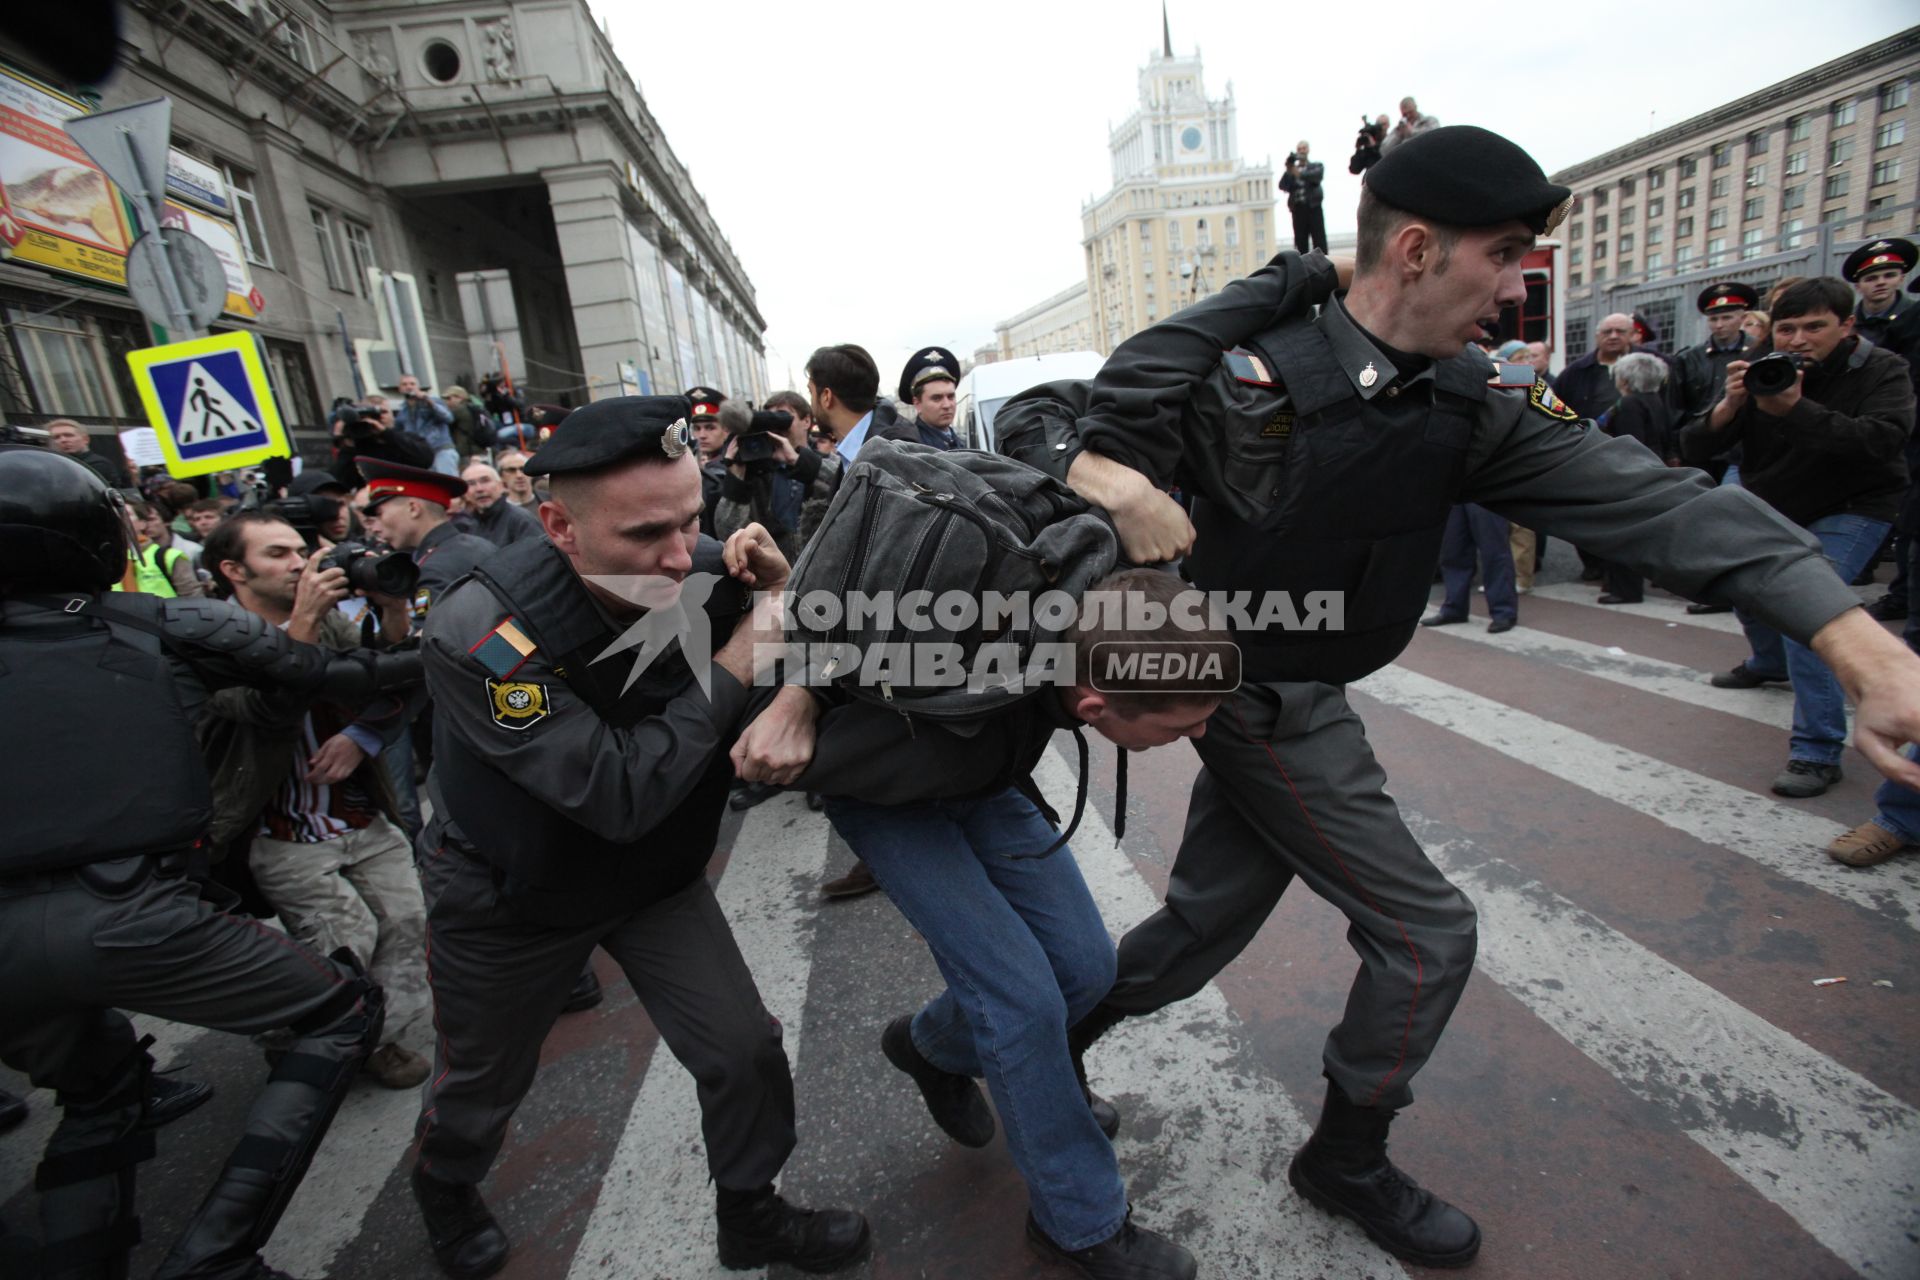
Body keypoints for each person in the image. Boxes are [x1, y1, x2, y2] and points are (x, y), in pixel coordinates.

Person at [995, 125, 1920, 1269]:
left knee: (1201, 924)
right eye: (1507, 253)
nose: (1518, 284)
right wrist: (1103, 471)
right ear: (1422, 249)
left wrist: (1852, 636)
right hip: (1252, 692)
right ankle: (1344, 1154)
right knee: (1427, 932)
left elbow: (1656, 499)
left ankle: (969, 1040)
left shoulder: (1474, 398)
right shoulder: (1250, 367)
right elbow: (1036, 418)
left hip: (1312, 684)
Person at [407, 396, 870, 1278]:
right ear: (557, 526)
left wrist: (780, 588)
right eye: (646, 533)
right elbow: (614, 788)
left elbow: (824, 641)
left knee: (743, 1052)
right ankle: (445, 1184)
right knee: (481, 1084)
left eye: (694, 518)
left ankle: (752, 1213)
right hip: (515, 896)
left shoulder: (699, 562)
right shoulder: (485, 633)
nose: (679, 552)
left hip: (650, 875)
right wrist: (740, 658)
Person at [0, 444, 417, 1280]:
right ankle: (215, 1251)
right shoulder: (164, 626)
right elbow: (318, 674)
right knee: (339, 1009)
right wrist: (490, 652)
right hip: (136, 910)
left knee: (99, 1095)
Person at [740, 569, 1229, 1280]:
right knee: (1022, 1003)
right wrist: (796, 698)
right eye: (1184, 724)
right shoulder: (968, 629)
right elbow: (837, 593)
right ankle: (1080, 1219)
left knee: (1086, 968)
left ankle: (930, 1049)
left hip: (984, 779)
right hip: (889, 797)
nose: (1201, 732)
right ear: (1093, 707)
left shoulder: (1061, 598)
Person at [197, 511, 433, 1090]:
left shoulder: (328, 627)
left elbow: (385, 677)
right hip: (280, 827)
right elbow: (261, 707)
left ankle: (378, 1039)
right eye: (276, 554)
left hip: (357, 810)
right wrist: (302, 617)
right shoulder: (207, 636)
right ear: (234, 570)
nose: (299, 563)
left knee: (407, 921)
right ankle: (298, 1038)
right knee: (342, 941)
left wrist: (392, 608)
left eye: (301, 550)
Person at [1683, 276, 1915, 798]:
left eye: (1815, 327)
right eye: (1786, 328)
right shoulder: (1762, 366)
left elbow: (1882, 441)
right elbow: (1695, 443)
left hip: (1853, 506)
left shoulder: (1882, 369)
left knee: (1809, 611)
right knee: (1735, 580)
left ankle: (1816, 751)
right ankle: (1767, 663)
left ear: (1847, 324)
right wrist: (1728, 407)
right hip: (1777, 503)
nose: (1797, 340)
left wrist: (1794, 408)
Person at [355, 459, 496, 625]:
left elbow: (430, 645)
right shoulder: (478, 545)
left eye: (380, 514)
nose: (376, 527)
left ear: (413, 508)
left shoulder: (434, 568)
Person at [1592, 352, 1677, 604]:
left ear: (1626, 380)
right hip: (1651, 472)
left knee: (1622, 535)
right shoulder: (1655, 400)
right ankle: (1622, 585)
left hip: (1628, 477)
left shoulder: (1629, 404)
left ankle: (1625, 589)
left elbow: (1632, 443)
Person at [809, 344, 923, 463]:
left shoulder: (891, 457)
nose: (811, 404)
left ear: (826, 397)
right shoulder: (861, 451)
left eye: (811, 392)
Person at [1421, 501, 1519, 633]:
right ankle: (1454, 607)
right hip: (1455, 492)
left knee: (1494, 550)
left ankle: (1504, 611)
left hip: (1483, 490)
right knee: (1452, 550)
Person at [114, 500, 205, 598]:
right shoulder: (108, 561)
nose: (118, 517)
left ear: (142, 524)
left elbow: (193, 601)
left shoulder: (169, 556)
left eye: (126, 513)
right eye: (113, 514)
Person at [1841, 237, 1914, 349]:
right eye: (1871, 278)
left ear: (1901, 279)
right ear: (1858, 286)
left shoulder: (1915, 317)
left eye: (1889, 276)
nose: (1881, 282)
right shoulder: (1846, 320)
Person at [459, 459, 544, 547]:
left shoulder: (521, 520)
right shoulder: (465, 525)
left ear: (501, 486)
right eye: (471, 484)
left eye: (485, 481)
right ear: (465, 494)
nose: (479, 489)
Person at [393, 375, 460, 476]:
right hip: (422, 455)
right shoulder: (402, 410)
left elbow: (448, 418)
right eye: (404, 384)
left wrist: (428, 401)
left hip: (440, 450)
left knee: (448, 483)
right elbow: (398, 432)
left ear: (418, 387)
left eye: (412, 384)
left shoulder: (432, 401)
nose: (409, 387)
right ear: (400, 389)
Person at [899, 347, 964, 450]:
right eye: (937, 398)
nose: (947, 405)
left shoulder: (961, 442)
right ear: (917, 403)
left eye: (951, 396)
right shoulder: (911, 448)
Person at [45, 418, 130, 489]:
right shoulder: (48, 467)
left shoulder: (99, 464)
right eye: (56, 437)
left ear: (86, 439)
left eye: (68, 435)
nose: (63, 440)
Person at [1281, 141, 1329, 254]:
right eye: (1299, 149)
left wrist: (1298, 174)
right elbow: (1283, 185)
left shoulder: (1316, 166)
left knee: (1319, 240)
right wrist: (1289, 169)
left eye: (1304, 148)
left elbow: (1316, 176)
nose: (1302, 151)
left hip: (1314, 207)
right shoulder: (1292, 171)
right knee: (1300, 242)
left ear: (1308, 150)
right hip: (1298, 210)